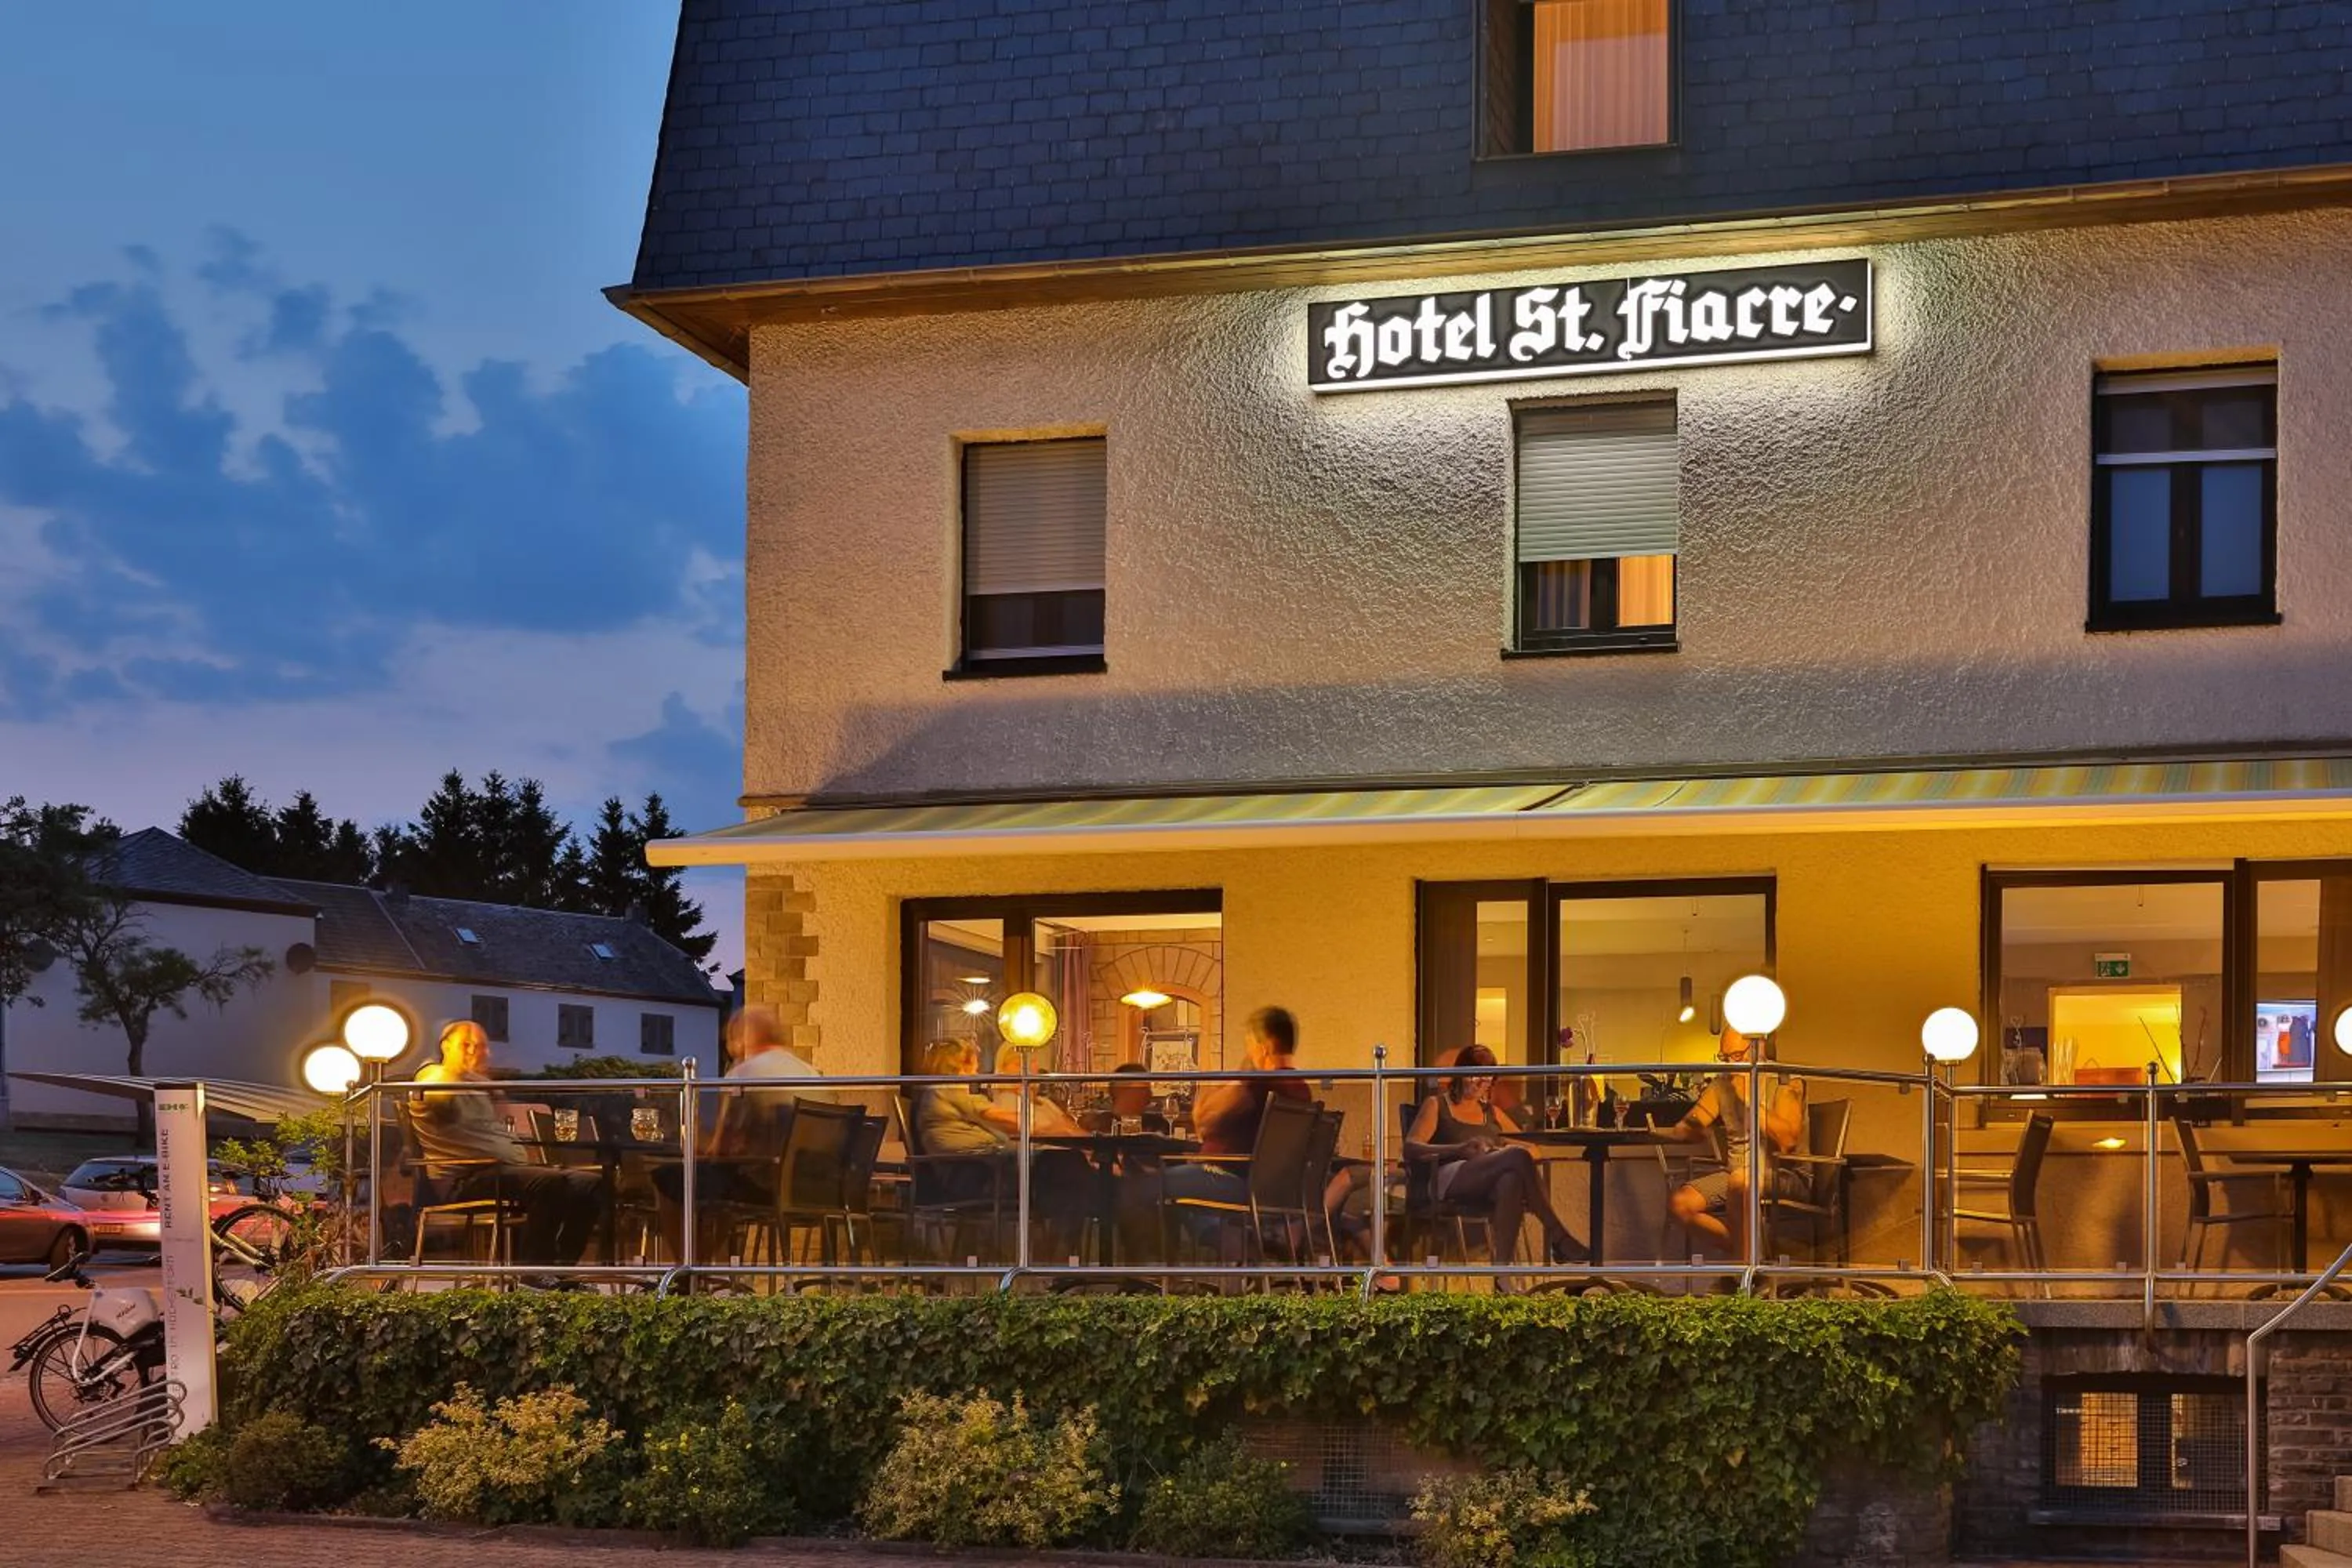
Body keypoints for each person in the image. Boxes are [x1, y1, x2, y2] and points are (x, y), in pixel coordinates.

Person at [409, 1019, 603, 1268]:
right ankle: (534, 1272)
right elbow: (438, 1095)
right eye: (465, 1044)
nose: (473, 1051)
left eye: (479, 1046)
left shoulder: (474, 1086)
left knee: (590, 1184)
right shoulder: (432, 1074)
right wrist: (480, 1081)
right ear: (445, 1047)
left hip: (500, 1172)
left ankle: (563, 1269)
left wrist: (482, 1084)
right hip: (466, 1178)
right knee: (547, 1183)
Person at [1403, 1044, 1588, 1280]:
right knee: (1515, 1157)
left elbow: (1534, 1151)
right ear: (1460, 1075)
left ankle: (1502, 1276)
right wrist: (1459, 1149)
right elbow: (1411, 1147)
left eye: (1487, 1081)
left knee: (1510, 1180)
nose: (1481, 1086)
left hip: (1485, 1179)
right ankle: (1559, 1237)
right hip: (1447, 1177)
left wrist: (1497, 1155)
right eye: (1476, 1078)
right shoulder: (1437, 1105)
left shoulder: (1492, 1113)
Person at [1159, 1007, 1312, 1252]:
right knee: (1183, 1194)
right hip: (1269, 1186)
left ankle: (1149, 1272)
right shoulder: (1301, 1089)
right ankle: (1238, 1250)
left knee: (1149, 1183)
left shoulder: (1259, 1082)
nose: (1248, 1051)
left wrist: (1236, 1078)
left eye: (1250, 1044)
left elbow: (1205, 1118)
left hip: (1231, 1180)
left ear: (1265, 1046)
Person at [1665, 1026, 1810, 1261]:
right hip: (1736, 1172)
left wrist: (1748, 1097)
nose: (1730, 1065)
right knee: (1681, 1204)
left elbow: (1788, 1141)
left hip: (1785, 1172)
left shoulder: (1785, 1081)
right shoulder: (1723, 1084)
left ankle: (1746, 1274)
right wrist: (1688, 1129)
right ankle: (1750, 1256)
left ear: (1758, 1047)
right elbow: (1693, 1122)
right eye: (1724, 1057)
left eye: (1735, 1057)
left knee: (1740, 1181)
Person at [991, 1044, 1083, 1135]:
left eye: (1033, 1062)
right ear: (1002, 1070)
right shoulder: (1008, 1101)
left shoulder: (1046, 1103)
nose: (1025, 1069)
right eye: (1018, 1064)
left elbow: (1074, 1130)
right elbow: (1029, 1132)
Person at [1108, 1062, 1171, 1134]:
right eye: (1143, 1089)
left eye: (1148, 1089)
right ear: (1120, 1090)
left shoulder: (1157, 1125)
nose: (1149, 1095)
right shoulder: (1102, 1125)